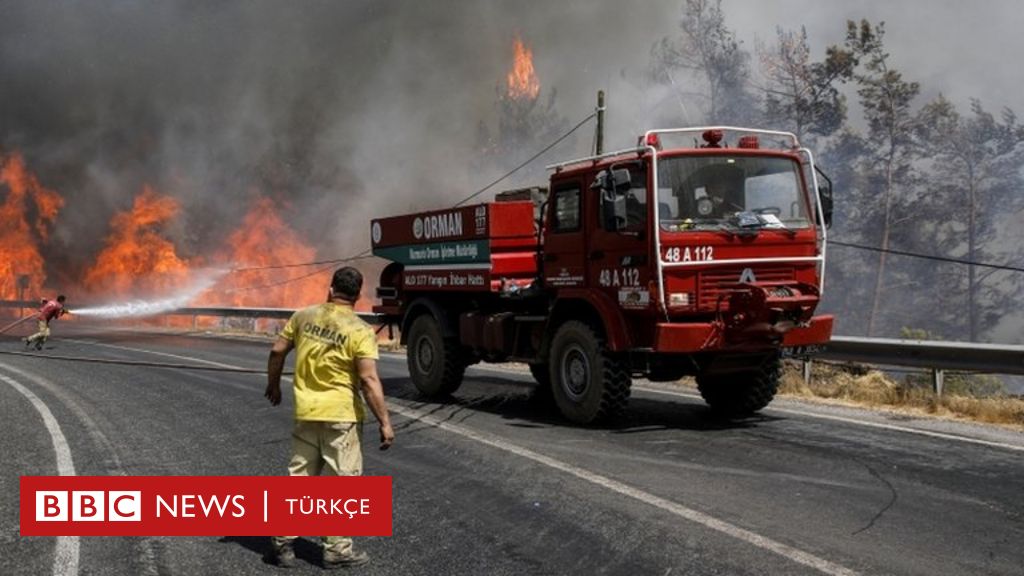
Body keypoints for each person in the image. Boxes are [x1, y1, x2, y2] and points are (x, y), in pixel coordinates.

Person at [264, 266, 395, 569]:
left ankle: (282, 545)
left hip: (306, 413)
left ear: (330, 288)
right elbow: (368, 380)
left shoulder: (303, 316)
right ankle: (336, 551)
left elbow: (277, 350)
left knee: (299, 481)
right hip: (341, 417)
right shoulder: (360, 330)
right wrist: (385, 423)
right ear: (358, 295)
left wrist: (273, 384)